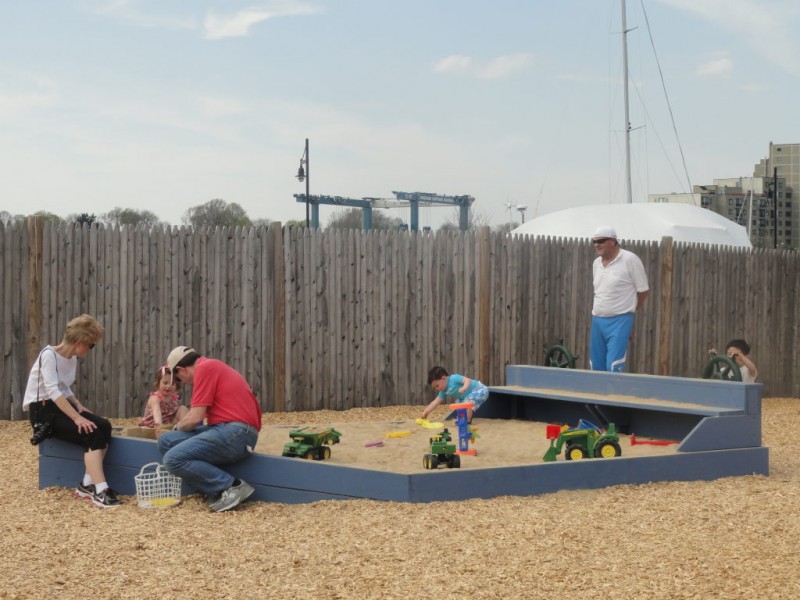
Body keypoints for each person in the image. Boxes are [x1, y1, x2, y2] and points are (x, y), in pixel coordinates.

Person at [22, 314, 121, 508]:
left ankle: (87, 484)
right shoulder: (48, 355)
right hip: (41, 411)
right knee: (91, 433)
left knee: (103, 425)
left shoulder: (71, 358)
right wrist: (77, 418)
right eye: (90, 345)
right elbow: (52, 390)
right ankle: (101, 490)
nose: (90, 349)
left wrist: (78, 405)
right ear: (79, 342)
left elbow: (64, 387)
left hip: (58, 405)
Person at [157, 346, 261, 512]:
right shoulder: (210, 367)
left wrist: (177, 426)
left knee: (172, 459)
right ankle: (216, 489)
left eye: (179, 379)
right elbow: (196, 419)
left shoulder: (204, 369)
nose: (184, 383)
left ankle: (232, 485)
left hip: (236, 433)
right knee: (166, 441)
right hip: (229, 430)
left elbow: (195, 418)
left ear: (181, 369)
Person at [589, 226, 650, 372]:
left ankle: (613, 394)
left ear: (612, 241)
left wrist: (630, 315)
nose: (597, 244)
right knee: (595, 365)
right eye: (594, 241)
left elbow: (643, 291)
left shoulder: (630, 260)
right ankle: (598, 395)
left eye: (601, 241)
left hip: (620, 320)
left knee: (614, 365)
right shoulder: (596, 264)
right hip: (597, 320)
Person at [422, 366, 488, 423]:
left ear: (443, 378)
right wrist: (426, 412)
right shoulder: (443, 391)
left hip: (479, 389)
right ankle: (463, 418)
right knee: (458, 404)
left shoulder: (453, 378)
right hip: (467, 396)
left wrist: (464, 388)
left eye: (437, 385)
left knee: (467, 402)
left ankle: (467, 421)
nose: (437, 388)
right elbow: (436, 401)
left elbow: (467, 380)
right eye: (435, 387)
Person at [138, 365, 189, 438]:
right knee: (157, 426)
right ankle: (161, 433)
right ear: (158, 383)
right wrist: (159, 426)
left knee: (183, 408)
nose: (168, 386)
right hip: (152, 425)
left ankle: (186, 429)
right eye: (165, 383)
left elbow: (174, 414)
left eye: (172, 384)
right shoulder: (155, 398)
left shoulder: (174, 398)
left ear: (176, 385)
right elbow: (156, 412)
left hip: (168, 425)